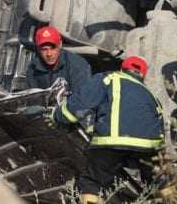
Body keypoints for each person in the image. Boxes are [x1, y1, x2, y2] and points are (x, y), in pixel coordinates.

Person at [51, 56, 164, 204]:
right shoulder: (150, 94)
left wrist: (58, 115)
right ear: (143, 75)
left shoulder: (110, 78)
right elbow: (159, 122)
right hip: (149, 146)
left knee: (93, 182)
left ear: (122, 69)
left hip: (112, 142)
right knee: (159, 181)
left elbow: (82, 102)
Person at [25, 25, 91, 92]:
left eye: (53, 48)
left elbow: (83, 98)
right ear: (38, 49)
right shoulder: (33, 67)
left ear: (60, 44)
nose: (49, 54)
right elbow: (31, 96)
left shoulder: (78, 66)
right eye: (44, 49)